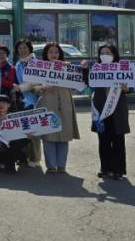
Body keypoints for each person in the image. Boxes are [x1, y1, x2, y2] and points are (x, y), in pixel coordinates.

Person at [33, 42, 81, 174]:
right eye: (51, 52)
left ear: (60, 54)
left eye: (56, 52)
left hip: (65, 104)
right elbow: (33, 87)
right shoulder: (40, 68)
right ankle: (51, 166)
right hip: (47, 104)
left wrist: (72, 70)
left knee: (64, 136)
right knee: (48, 136)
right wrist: (43, 88)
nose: (54, 55)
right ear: (46, 54)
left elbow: (78, 85)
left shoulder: (67, 67)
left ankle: (61, 166)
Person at [91, 44, 130, 180]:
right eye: (102, 53)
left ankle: (118, 170)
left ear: (114, 55)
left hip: (117, 110)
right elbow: (87, 82)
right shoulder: (96, 69)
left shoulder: (123, 68)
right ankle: (106, 168)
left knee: (118, 140)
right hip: (101, 109)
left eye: (108, 53)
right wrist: (84, 69)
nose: (105, 55)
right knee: (104, 140)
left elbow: (131, 85)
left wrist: (127, 88)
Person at [11, 38, 42, 167]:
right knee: (24, 129)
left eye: (25, 47)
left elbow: (36, 82)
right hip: (22, 101)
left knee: (34, 130)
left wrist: (20, 88)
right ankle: (25, 157)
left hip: (34, 100)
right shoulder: (19, 64)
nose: (22, 50)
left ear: (30, 49)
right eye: (20, 48)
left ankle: (35, 159)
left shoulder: (37, 63)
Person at [0, 95, 30, 173]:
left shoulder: (16, 117)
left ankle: (10, 164)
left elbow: (24, 131)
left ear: (9, 105)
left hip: (14, 143)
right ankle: (13, 162)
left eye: (4, 103)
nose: (1, 105)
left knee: (14, 143)